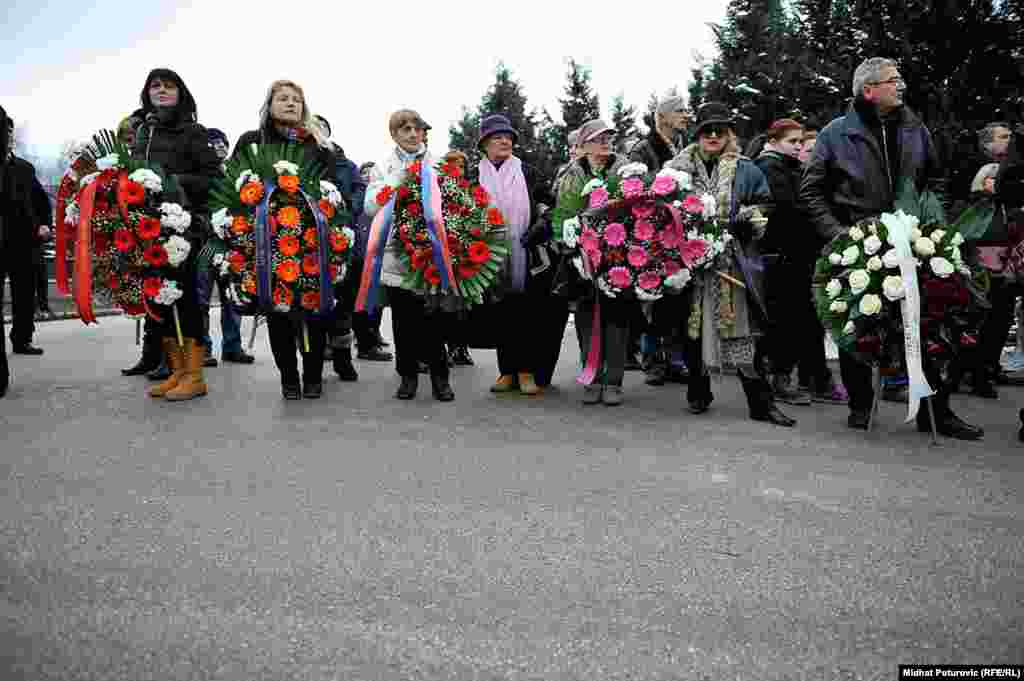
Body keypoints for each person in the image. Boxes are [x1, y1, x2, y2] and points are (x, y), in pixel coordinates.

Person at [800, 57, 982, 439]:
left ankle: (936, 409)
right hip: (859, 240)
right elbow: (812, 190)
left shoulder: (916, 128)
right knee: (857, 322)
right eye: (893, 80)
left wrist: (933, 223)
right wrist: (839, 234)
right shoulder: (835, 134)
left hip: (916, 239)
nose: (901, 86)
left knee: (930, 323)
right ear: (869, 90)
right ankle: (861, 404)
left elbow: (935, 180)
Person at [665, 103, 795, 427]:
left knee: (739, 332)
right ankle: (698, 392)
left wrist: (747, 221)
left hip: (732, 260)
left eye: (719, 130)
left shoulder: (746, 168)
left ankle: (760, 402)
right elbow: (661, 210)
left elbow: (765, 203)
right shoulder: (675, 171)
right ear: (697, 134)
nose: (712, 135)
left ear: (728, 134)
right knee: (690, 328)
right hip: (688, 263)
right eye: (706, 130)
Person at [232, 81, 336, 399]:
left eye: (296, 99)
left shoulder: (317, 145)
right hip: (265, 239)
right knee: (277, 309)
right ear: (269, 104)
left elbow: (332, 187)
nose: (290, 103)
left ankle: (314, 375)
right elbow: (234, 182)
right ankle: (289, 378)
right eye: (282, 98)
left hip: (310, 239)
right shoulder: (252, 142)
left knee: (313, 310)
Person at [131, 67, 221, 401]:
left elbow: (214, 177)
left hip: (186, 226)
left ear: (181, 93)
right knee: (160, 299)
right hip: (150, 226)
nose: (162, 91)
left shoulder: (194, 132)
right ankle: (177, 371)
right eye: (155, 86)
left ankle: (195, 375)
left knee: (185, 302)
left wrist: (174, 183)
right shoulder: (144, 132)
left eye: (169, 86)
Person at [362, 109, 455, 402]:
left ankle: (441, 378)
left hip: (434, 255)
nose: (413, 134)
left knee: (436, 322)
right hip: (397, 256)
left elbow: (455, 204)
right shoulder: (383, 167)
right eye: (406, 129)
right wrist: (400, 177)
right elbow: (370, 207)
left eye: (417, 129)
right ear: (394, 135)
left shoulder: (438, 165)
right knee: (403, 322)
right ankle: (408, 376)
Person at [755, 118, 848, 407]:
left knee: (806, 319)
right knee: (788, 320)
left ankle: (813, 377)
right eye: (791, 141)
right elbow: (787, 209)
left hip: (799, 253)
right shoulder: (771, 167)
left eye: (799, 142)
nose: (797, 146)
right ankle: (781, 379)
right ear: (773, 140)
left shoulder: (789, 166)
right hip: (785, 253)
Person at [476, 114, 558, 396]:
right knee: (500, 313)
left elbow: (549, 204)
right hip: (488, 256)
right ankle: (506, 371)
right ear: (484, 142)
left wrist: (540, 225)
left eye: (509, 137)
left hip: (527, 253)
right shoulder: (474, 176)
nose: (505, 141)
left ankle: (526, 372)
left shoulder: (528, 172)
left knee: (527, 312)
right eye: (498, 136)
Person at [555, 118, 631, 405]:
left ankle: (613, 381)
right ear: (583, 145)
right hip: (583, 256)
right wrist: (569, 241)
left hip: (619, 254)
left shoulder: (623, 167)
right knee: (587, 316)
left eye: (608, 138)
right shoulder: (573, 173)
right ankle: (592, 375)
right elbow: (562, 213)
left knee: (616, 317)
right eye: (599, 138)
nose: (605, 143)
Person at [311, 114, 381, 381]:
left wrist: (346, 210)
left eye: (321, 127)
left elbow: (359, 189)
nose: (316, 131)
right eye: (311, 126)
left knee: (343, 305)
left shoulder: (345, 163)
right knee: (314, 305)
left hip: (342, 241)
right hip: (310, 244)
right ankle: (314, 362)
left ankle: (342, 358)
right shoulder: (300, 161)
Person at [629, 95, 691, 386]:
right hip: (652, 230)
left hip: (680, 231)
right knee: (654, 297)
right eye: (680, 111)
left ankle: (675, 359)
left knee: (679, 296)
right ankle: (652, 359)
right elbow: (634, 187)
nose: (686, 115)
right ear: (662, 116)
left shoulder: (685, 146)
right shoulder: (643, 149)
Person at [195, 127, 253, 366]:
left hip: (231, 245)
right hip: (205, 244)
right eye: (214, 142)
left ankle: (232, 346)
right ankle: (203, 348)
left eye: (223, 143)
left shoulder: (236, 174)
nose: (220, 146)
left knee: (232, 297)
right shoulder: (198, 173)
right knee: (201, 299)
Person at [1, 114, 49, 357]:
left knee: (24, 294)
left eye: (10, 131)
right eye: (4, 130)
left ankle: (22, 340)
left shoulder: (25, 168)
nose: (8, 135)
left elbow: (41, 201)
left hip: (24, 241)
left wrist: (44, 225)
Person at [438, 149, 475, 369]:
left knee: (463, 305)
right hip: (442, 253)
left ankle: (460, 347)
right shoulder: (438, 190)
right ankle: (446, 347)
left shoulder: (470, 190)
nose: (457, 169)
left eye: (461, 165)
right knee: (445, 304)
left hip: (466, 253)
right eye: (452, 165)